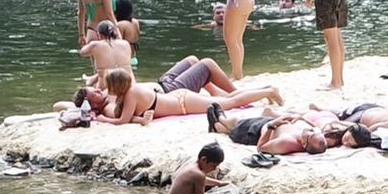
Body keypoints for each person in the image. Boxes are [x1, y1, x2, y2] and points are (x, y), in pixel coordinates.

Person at [99, 67, 282, 124]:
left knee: (230, 102)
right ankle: (265, 89)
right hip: (179, 98)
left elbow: (123, 120)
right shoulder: (131, 91)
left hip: (183, 103)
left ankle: (268, 91)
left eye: (108, 85)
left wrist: (102, 118)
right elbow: (130, 117)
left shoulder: (131, 94)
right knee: (227, 99)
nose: (106, 88)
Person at [215, 112, 328, 156]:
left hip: (254, 132)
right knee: (233, 123)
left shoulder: (287, 143)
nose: (310, 130)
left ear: (304, 144)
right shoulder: (313, 137)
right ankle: (220, 124)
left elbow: (261, 148)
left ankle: (219, 119)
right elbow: (316, 128)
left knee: (235, 122)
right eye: (314, 131)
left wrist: (272, 125)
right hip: (267, 123)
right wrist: (301, 118)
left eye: (310, 134)